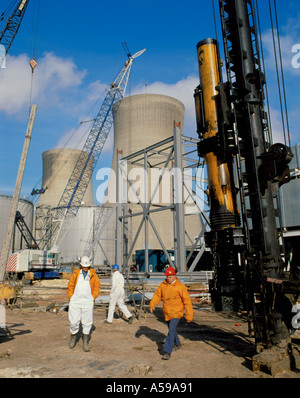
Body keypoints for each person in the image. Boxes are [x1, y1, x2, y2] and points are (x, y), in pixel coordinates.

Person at [149, 266, 193, 360]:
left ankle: (167, 351)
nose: (168, 279)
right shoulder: (163, 285)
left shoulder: (180, 287)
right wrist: (152, 304)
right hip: (167, 312)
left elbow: (187, 301)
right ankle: (178, 344)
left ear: (174, 276)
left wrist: (189, 315)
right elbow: (157, 295)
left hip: (176, 312)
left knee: (171, 330)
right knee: (172, 329)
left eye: (170, 277)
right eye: (167, 277)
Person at [67, 256, 100, 352]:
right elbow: (70, 285)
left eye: (87, 266)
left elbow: (97, 286)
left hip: (87, 301)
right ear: (81, 265)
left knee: (87, 322)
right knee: (73, 321)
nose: (85, 268)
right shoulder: (76, 273)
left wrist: (93, 297)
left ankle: (85, 342)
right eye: (84, 266)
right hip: (75, 301)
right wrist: (71, 297)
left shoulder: (93, 274)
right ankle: (73, 337)